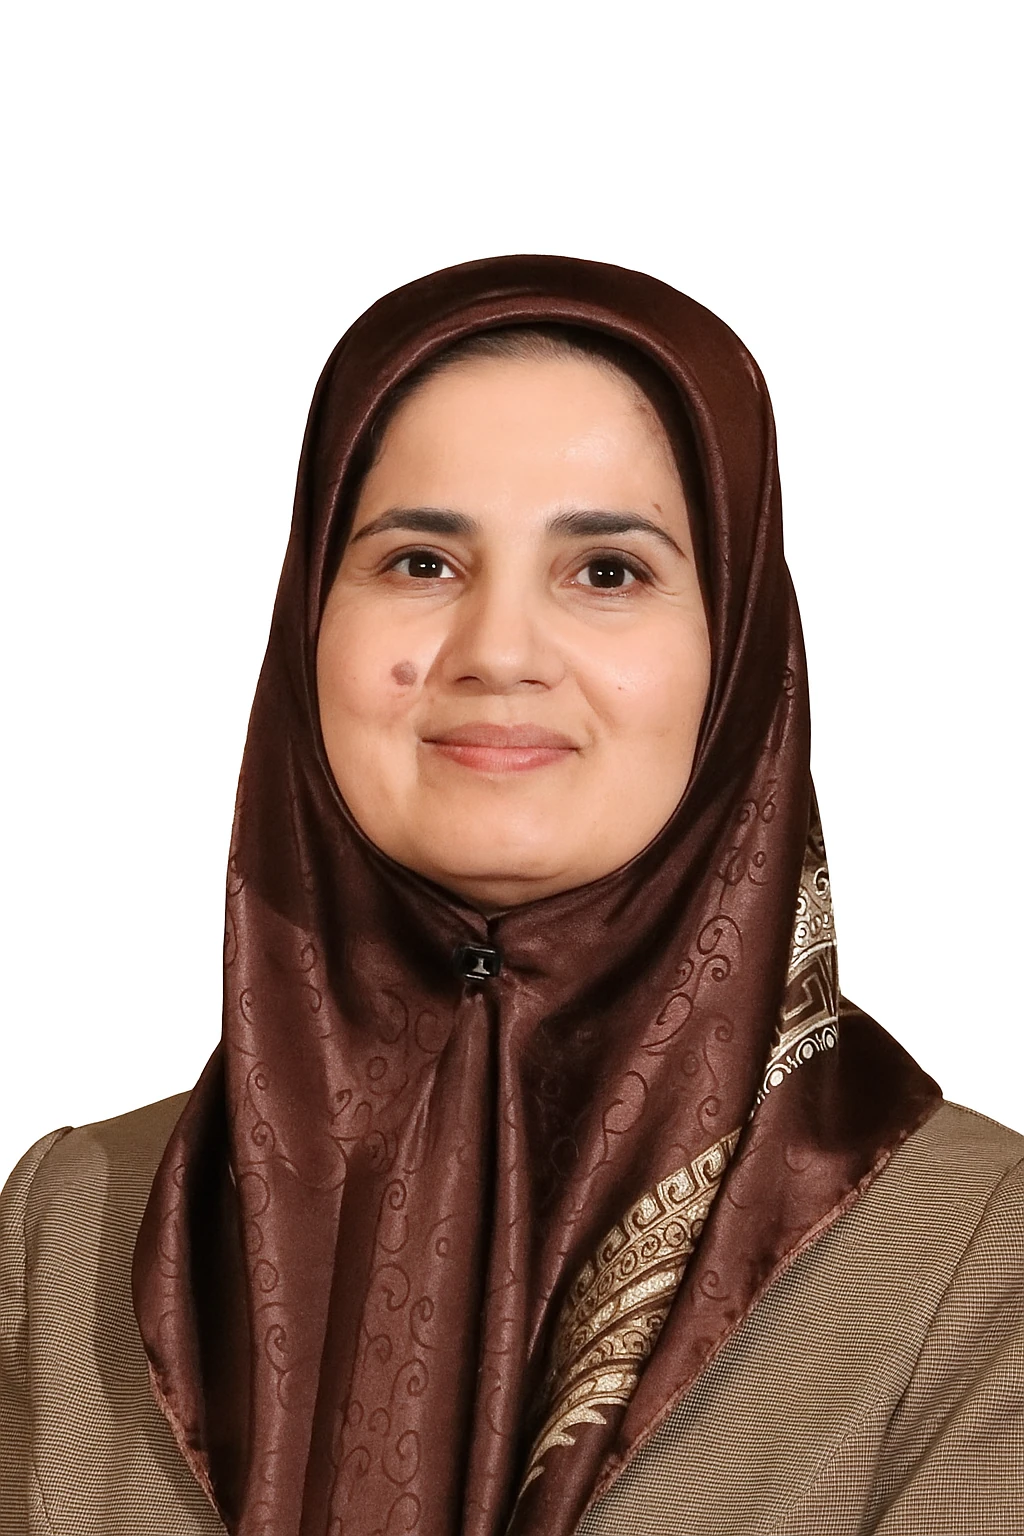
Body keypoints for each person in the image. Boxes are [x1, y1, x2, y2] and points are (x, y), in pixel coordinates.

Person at [1, 255, 1021, 1536]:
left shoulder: (971, 1257)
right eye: (421, 561)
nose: (496, 651)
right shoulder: (74, 1230)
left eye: (608, 572)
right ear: (308, 622)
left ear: (737, 654)